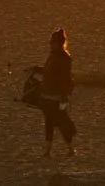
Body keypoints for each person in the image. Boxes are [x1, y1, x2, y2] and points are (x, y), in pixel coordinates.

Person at [32, 28, 76, 157]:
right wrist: (35, 69)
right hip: (46, 94)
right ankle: (49, 151)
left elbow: (66, 79)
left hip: (56, 96)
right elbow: (47, 72)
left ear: (59, 43)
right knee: (50, 122)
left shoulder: (64, 59)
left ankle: (69, 149)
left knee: (61, 122)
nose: (50, 44)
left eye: (52, 42)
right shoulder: (53, 55)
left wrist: (64, 95)